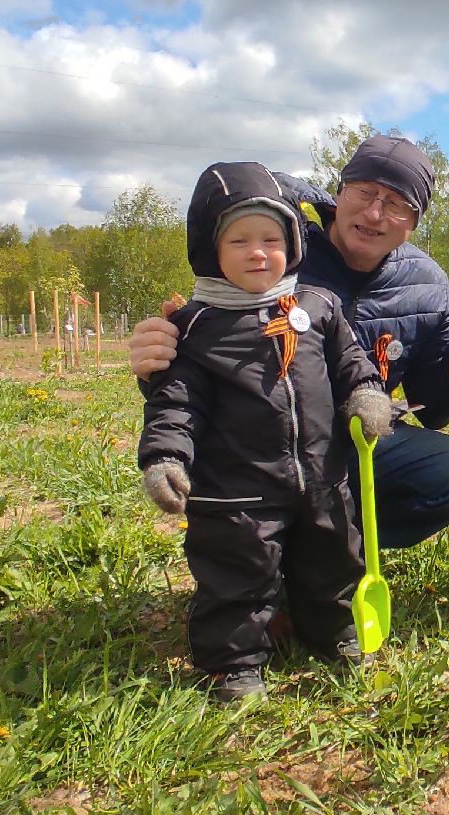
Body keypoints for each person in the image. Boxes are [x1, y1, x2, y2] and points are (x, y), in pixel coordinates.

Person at [129, 135, 449, 550]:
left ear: (415, 221)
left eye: (397, 203)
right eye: (364, 192)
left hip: (355, 444)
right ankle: (262, 554)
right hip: (259, 447)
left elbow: (434, 409)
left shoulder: (426, 283)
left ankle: (336, 549)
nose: (374, 212)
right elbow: (209, 348)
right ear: (339, 193)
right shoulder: (281, 253)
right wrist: (156, 362)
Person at [138, 161, 393, 701]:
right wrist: (165, 457)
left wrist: (367, 394)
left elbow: (350, 360)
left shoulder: (317, 306)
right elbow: (176, 403)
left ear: (293, 244)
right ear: (211, 249)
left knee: (333, 559)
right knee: (238, 574)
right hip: (236, 492)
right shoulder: (198, 327)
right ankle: (232, 665)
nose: (259, 252)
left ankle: (338, 636)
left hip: (321, 476)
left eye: (272, 238)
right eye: (240, 240)